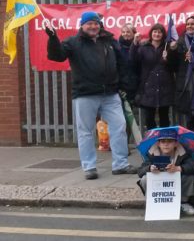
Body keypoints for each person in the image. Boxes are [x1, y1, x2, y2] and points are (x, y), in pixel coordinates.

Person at [45, 11, 137, 180]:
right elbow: (57, 56)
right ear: (82, 25)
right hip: (85, 94)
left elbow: (121, 64)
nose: (93, 26)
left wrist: (124, 86)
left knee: (119, 126)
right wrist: (52, 37)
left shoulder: (109, 41)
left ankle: (121, 164)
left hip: (110, 93)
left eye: (96, 23)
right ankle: (89, 167)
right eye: (89, 23)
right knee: (86, 131)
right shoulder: (73, 42)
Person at [136, 127, 194, 216]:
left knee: (190, 176)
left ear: (176, 143)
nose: (166, 144)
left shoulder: (183, 152)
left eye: (169, 141)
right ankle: (154, 203)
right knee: (145, 178)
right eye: (163, 141)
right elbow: (140, 171)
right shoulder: (151, 153)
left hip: (177, 182)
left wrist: (178, 168)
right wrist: (149, 168)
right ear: (158, 143)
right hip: (159, 184)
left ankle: (183, 202)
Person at [130, 24, 178, 130]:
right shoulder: (143, 47)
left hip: (165, 87)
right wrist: (134, 43)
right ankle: (152, 143)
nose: (157, 34)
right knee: (149, 118)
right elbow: (133, 61)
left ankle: (164, 143)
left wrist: (168, 57)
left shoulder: (168, 46)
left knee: (164, 117)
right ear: (151, 33)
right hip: (148, 87)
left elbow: (175, 67)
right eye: (155, 31)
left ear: (163, 34)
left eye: (159, 32)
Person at [118, 24, 139, 103]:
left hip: (136, 84)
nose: (125, 34)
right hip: (122, 85)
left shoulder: (139, 46)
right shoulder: (117, 47)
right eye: (123, 32)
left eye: (128, 32)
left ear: (134, 33)